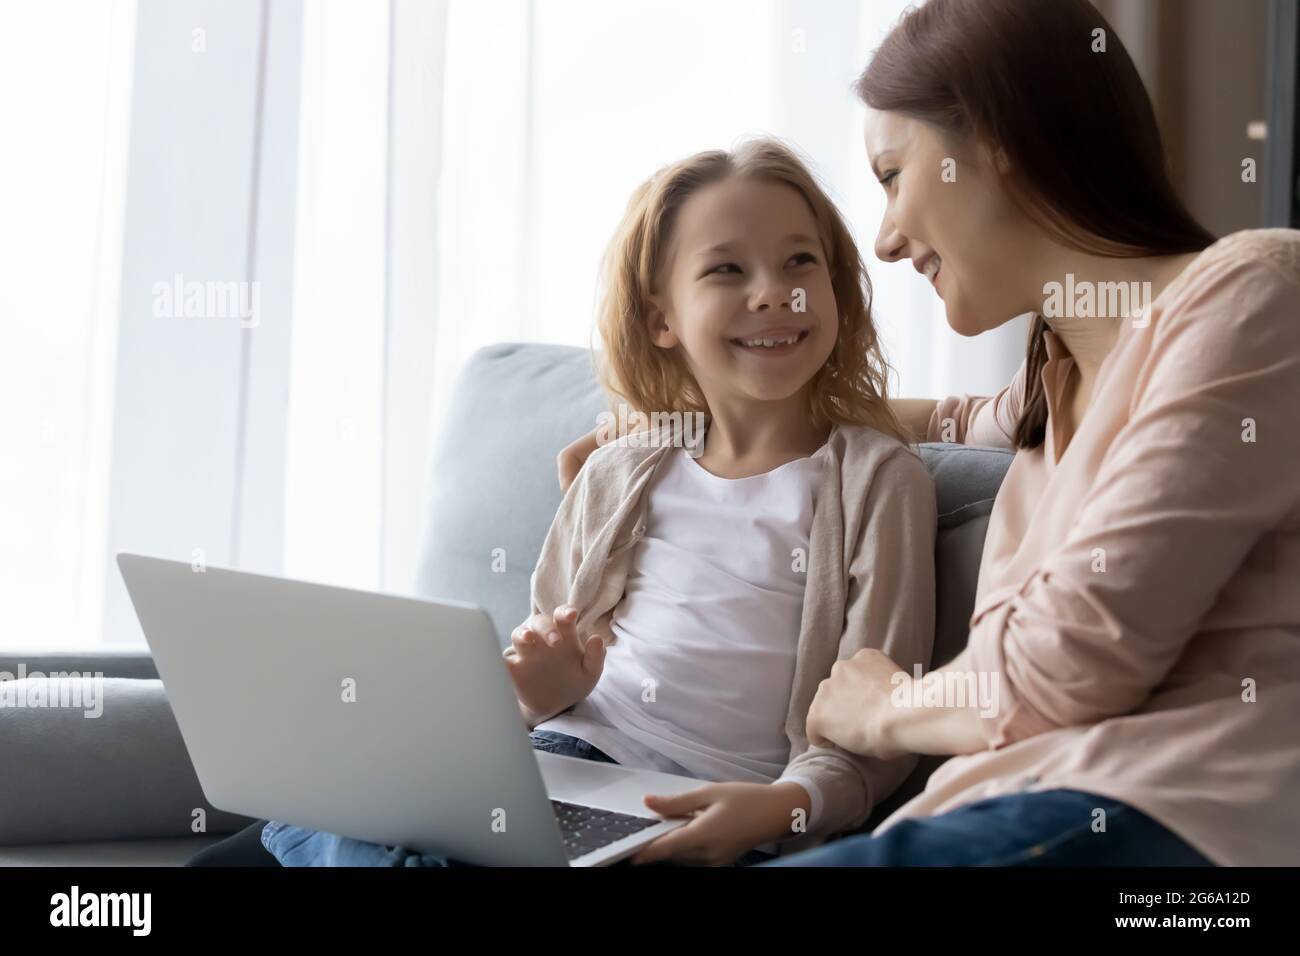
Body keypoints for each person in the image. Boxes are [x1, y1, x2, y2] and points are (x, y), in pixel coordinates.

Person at [560, 0, 1300, 868]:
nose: (882, 241)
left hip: (1169, 828)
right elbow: (937, 421)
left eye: (891, 174)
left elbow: (1068, 664)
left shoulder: (1254, 295)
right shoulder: (1051, 386)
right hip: (992, 815)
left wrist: (882, 706)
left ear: (998, 146)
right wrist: (703, 416)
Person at [191, 137, 937, 866]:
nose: (773, 291)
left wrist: (781, 808)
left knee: (347, 834)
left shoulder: (878, 482)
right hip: (550, 765)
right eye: (727, 270)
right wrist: (532, 698)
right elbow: (534, 668)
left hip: (693, 809)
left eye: (800, 261)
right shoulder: (619, 470)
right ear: (661, 320)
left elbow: (873, 733)